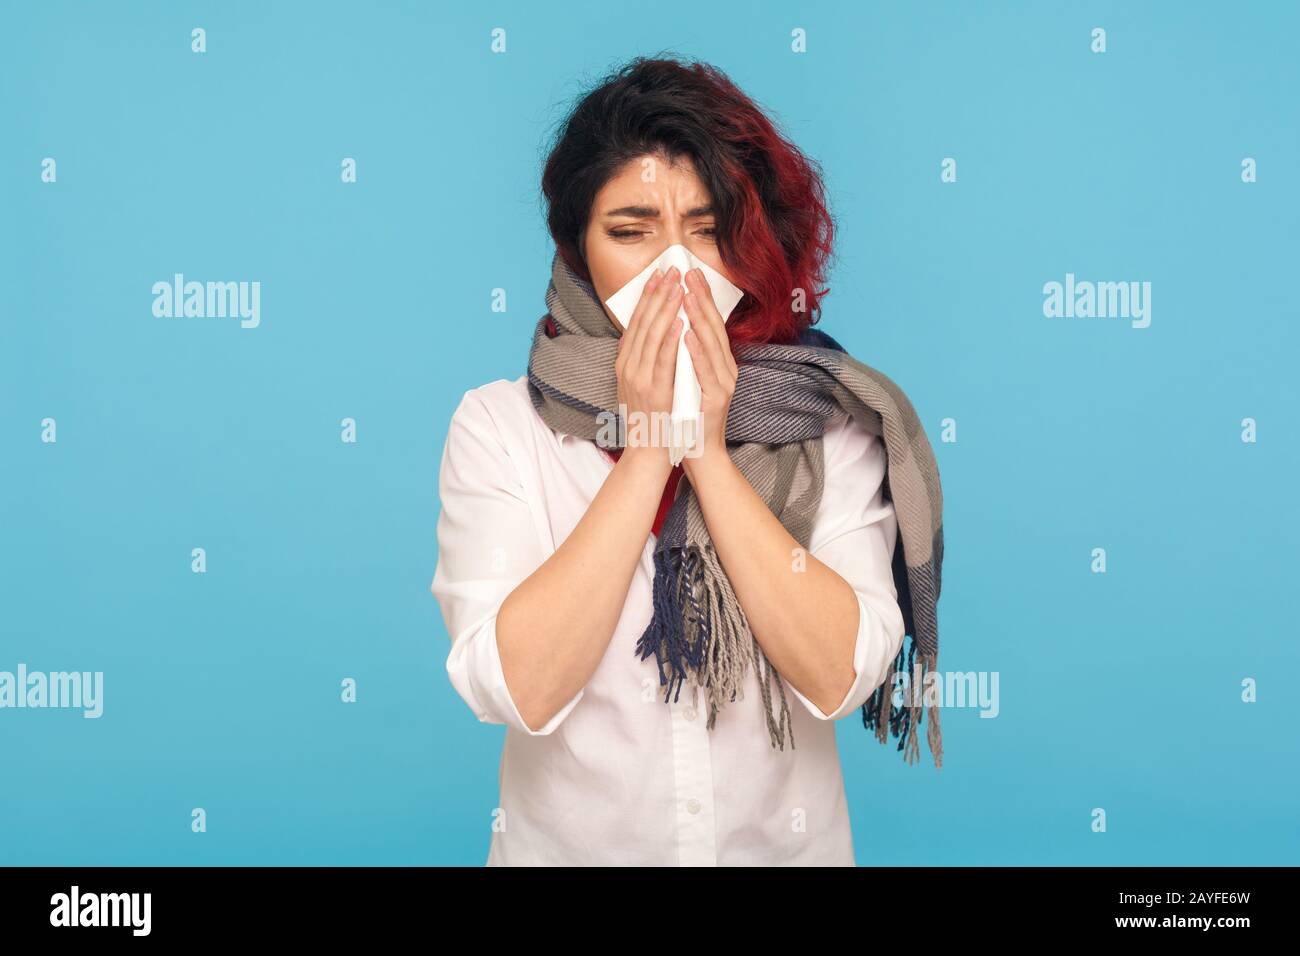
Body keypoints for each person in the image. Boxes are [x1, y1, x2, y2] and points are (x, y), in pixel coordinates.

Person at [431, 56, 918, 866]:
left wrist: (709, 455)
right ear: (579, 250)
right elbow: (516, 686)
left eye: (706, 231)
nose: (674, 270)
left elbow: (842, 674)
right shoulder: (499, 426)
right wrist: (650, 450)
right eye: (630, 232)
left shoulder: (827, 423)